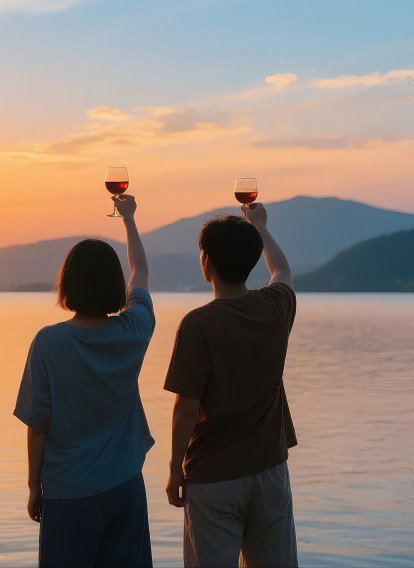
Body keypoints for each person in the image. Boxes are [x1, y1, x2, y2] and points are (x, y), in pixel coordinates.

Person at [14, 194, 155, 567]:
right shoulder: (134, 331)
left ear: (68, 285)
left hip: (69, 492)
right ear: (115, 286)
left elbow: (37, 425)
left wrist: (34, 485)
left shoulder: (49, 342)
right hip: (125, 486)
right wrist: (129, 219)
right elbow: (140, 271)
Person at [164, 203, 298, 567]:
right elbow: (282, 269)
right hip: (270, 470)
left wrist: (176, 468)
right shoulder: (277, 306)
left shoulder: (198, 324)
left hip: (213, 476)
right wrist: (259, 225)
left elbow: (187, 407)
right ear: (253, 259)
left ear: (206, 262)